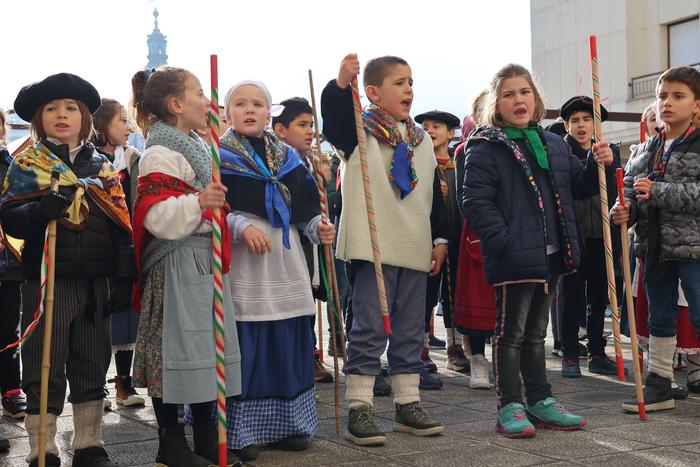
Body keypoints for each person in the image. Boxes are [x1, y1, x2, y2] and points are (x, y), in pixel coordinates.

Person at [463, 63, 614, 438]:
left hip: (551, 255)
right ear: (496, 105)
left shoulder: (552, 143)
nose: (519, 99)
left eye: (525, 91)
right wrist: (506, 241)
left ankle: (540, 399)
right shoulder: (486, 146)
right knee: (510, 334)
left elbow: (575, 187)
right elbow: (476, 202)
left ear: (536, 97)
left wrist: (597, 164)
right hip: (515, 256)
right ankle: (509, 405)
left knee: (537, 335)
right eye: (509, 94)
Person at [2, 73, 135, 467]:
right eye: (52, 109)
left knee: (91, 359)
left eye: (71, 108)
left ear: (85, 118)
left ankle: (89, 442)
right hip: (46, 281)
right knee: (46, 358)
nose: (62, 115)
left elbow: (121, 227)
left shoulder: (103, 167)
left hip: (95, 282)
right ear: (39, 119)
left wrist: (123, 278)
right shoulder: (28, 163)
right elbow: (10, 217)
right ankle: (41, 444)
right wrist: (40, 210)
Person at [322, 54, 449, 446]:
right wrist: (342, 85)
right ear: (373, 92)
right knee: (371, 327)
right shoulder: (359, 132)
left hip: (412, 243)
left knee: (412, 328)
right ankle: (360, 405)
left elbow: (433, 193)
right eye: (399, 82)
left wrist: (440, 239)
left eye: (410, 81)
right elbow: (335, 120)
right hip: (372, 245)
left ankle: (407, 403)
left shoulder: (421, 138)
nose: (408, 89)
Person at [130, 66, 242, 466]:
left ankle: (207, 437)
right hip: (176, 260)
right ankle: (171, 440)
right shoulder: (160, 152)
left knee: (205, 349)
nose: (207, 101)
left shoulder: (199, 143)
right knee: (176, 349)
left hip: (203, 258)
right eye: (199, 92)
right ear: (177, 105)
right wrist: (199, 202)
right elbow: (154, 215)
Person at [220, 81, 334, 460]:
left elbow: (304, 210)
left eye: (257, 103)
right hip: (244, 263)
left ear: (270, 114)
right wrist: (240, 227)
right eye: (240, 103)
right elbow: (214, 208)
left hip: (284, 262)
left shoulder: (286, 157)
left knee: (287, 342)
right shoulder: (218, 155)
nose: (249, 109)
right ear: (227, 112)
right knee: (247, 344)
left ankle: (289, 425)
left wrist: (318, 227)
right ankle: (242, 430)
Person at [612, 66, 700, 413]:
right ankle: (659, 383)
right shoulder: (644, 149)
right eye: (663, 95)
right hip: (653, 249)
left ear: (696, 105)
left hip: (694, 249)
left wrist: (659, 191)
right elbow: (631, 196)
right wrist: (623, 211)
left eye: (678, 96)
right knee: (659, 317)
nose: (667, 103)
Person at [558, 95, 622, 378]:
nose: (581, 126)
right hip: (573, 235)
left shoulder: (608, 152)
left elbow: (616, 191)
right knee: (571, 296)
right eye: (575, 121)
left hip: (602, 235)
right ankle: (570, 353)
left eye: (587, 119)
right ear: (566, 125)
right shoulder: (561, 154)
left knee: (600, 297)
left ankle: (597, 350)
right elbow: (575, 189)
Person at [92, 98, 145, 407]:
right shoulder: (89, 160)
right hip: (100, 246)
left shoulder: (134, 159)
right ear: (102, 126)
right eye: (121, 120)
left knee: (127, 313)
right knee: (99, 315)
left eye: (128, 120)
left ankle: (124, 384)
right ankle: (95, 384)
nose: (128, 126)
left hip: (128, 242)